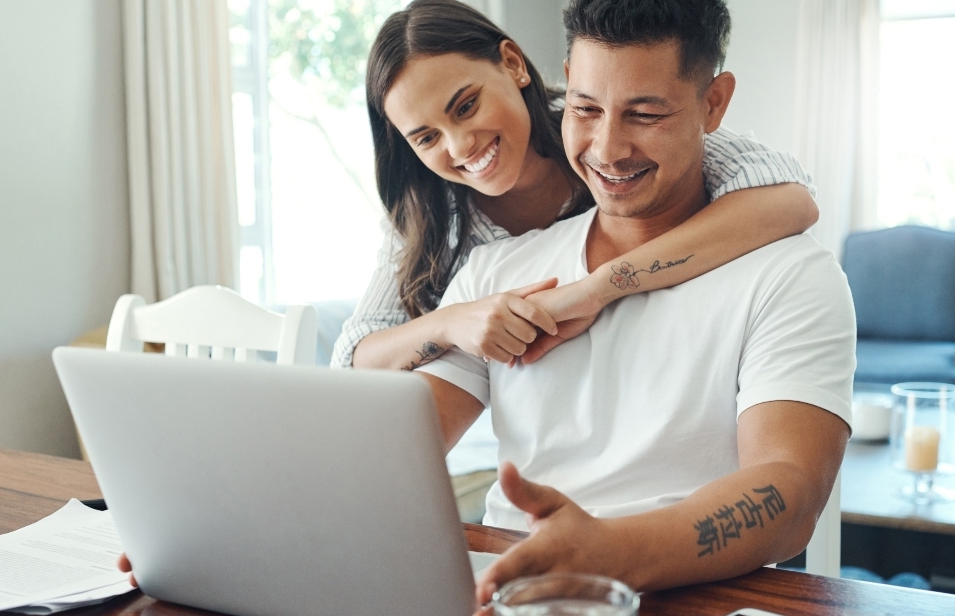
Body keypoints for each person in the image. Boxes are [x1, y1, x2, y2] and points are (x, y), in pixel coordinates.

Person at [400, 1, 856, 616]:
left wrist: (608, 553)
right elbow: (396, 450)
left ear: (714, 103)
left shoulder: (790, 275)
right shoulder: (495, 271)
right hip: (519, 599)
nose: (608, 149)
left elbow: (789, 491)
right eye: (586, 109)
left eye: (645, 114)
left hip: (697, 601)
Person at [331, 0, 820, 372]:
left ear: (513, 64)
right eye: (427, 137)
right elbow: (354, 354)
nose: (460, 147)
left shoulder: (600, 122)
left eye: (466, 107)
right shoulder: (430, 212)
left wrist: (597, 289)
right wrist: (451, 321)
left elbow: (789, 199)